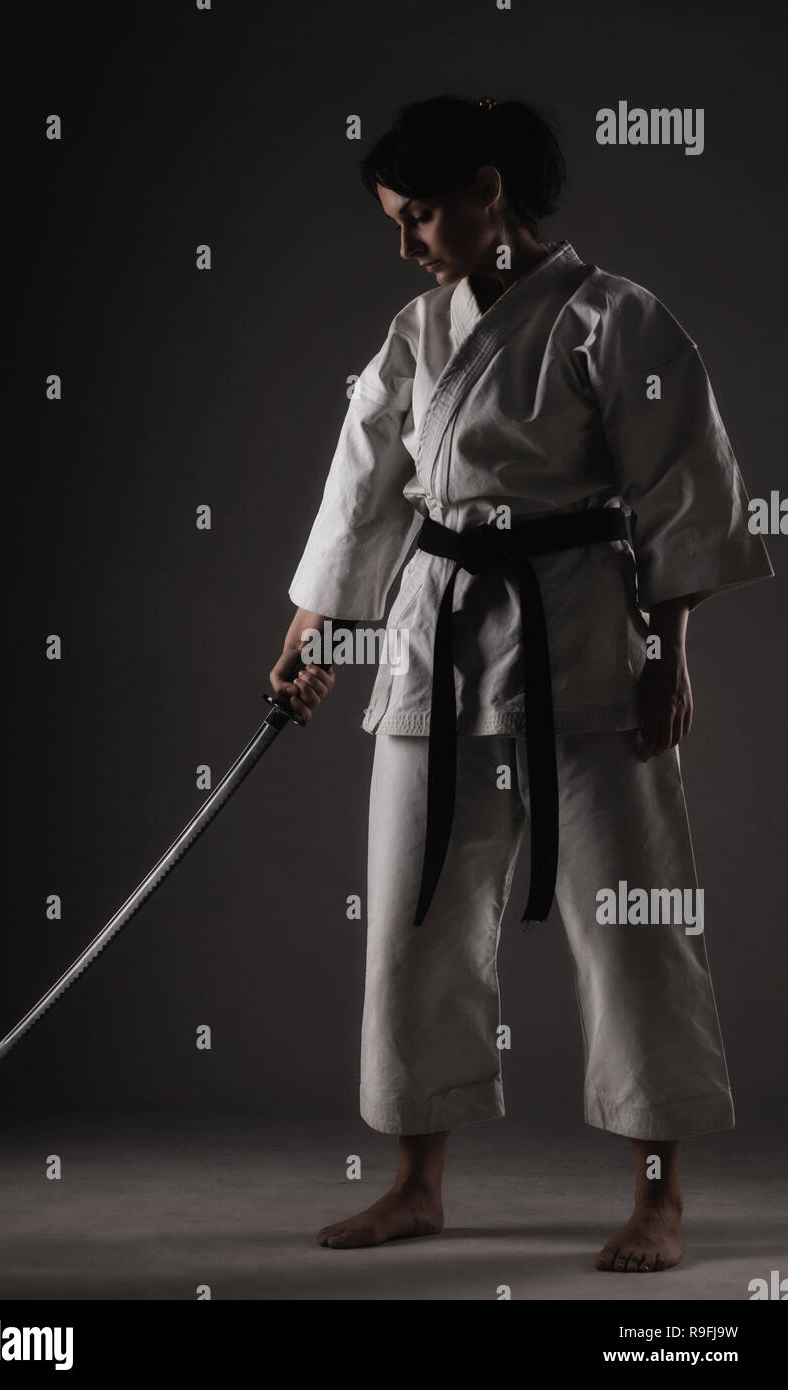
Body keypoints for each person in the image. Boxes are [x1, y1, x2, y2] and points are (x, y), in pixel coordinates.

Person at [269, 95, 773, 1273]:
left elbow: (681, 495)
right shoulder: (413, 333)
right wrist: (309, 632)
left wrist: (669, 652)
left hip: (585, 641)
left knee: (634, 922)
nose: (407, 243)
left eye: (422, 215)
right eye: (395, 222)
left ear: (490, 191)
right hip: (435, 634)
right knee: (413, 919)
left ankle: (659, 1196)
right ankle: (415, 1183)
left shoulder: (613, 320)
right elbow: (363, 497)